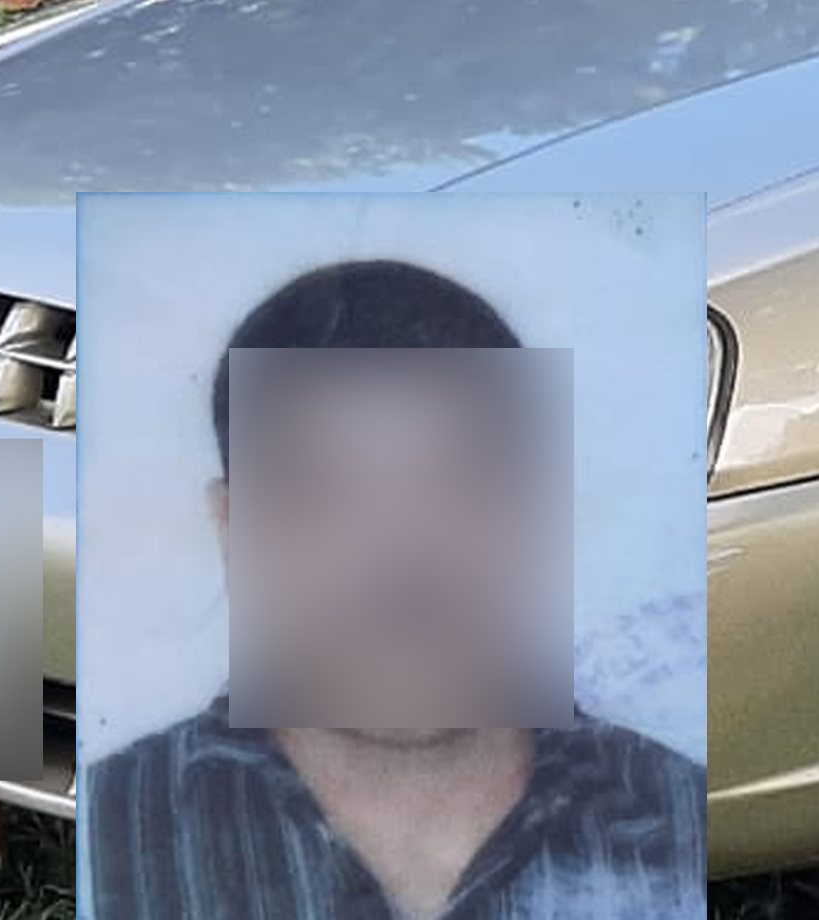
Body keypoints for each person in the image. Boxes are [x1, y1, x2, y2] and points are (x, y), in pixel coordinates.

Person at [84, 259, 706, 920]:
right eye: (326, 495)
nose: (399, 557)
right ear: (234, 532)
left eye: (455, 481)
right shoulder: (106, 826)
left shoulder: (684, 812)